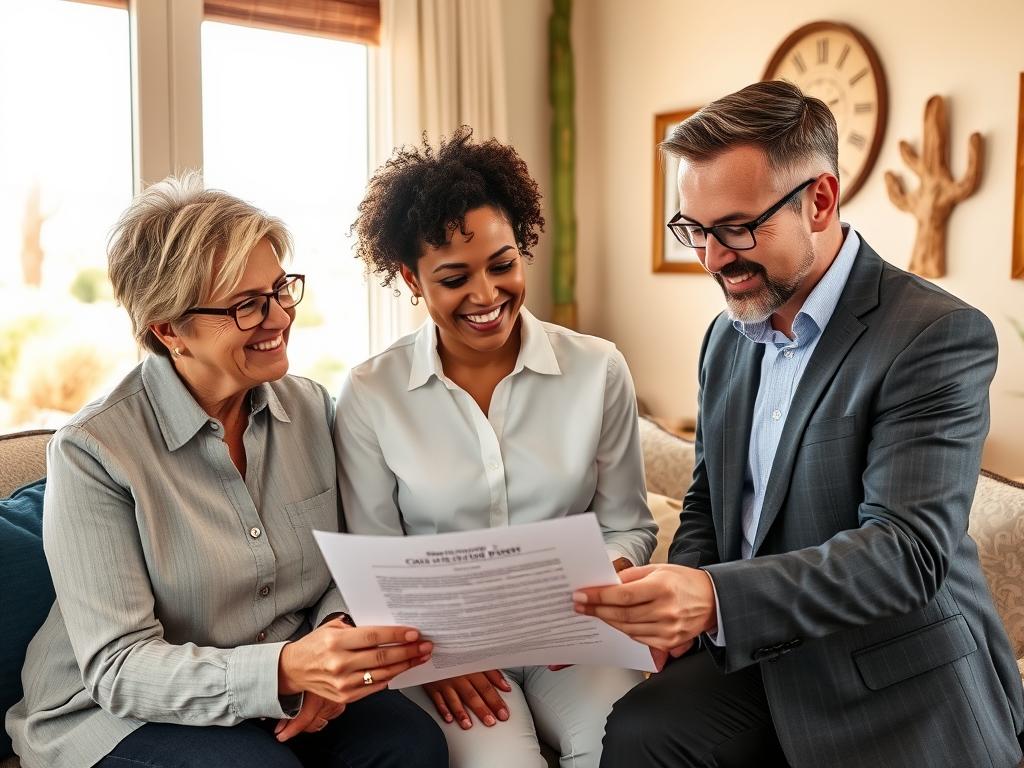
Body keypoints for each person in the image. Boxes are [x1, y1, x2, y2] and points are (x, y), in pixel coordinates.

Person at [573, 80, 1024, 768]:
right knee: (639, 733)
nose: (714, 257)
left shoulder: (935, 335)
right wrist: (675, 610)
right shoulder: (726, 339)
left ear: (819, 200)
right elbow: (709, 500)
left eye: (738, 227)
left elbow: (907, 553)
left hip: (892, 674)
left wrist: (714, 597)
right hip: (759, 654)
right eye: (695, 230)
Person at [5, 176, 447, 768]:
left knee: (411, 746)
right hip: (118, 712)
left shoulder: (312, 410)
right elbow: (119, 667)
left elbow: (349, 557)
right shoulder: (93, 452)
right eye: (246, 305)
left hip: (288, 676)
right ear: (168, 330)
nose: (278, 318)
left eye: (280, 289)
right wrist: (287, 671)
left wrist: (333, 639)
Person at [335, 127, 658, 768]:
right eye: (455, 278)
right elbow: (373, 565)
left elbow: (630, 525)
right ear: (412, 278)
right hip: (442, 652)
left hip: (571, 636)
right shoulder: (372, 392)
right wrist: (426, 660)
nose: (487, 296)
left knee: (625, 743)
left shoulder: (598, 369)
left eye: (503, 264)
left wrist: (611, 578)